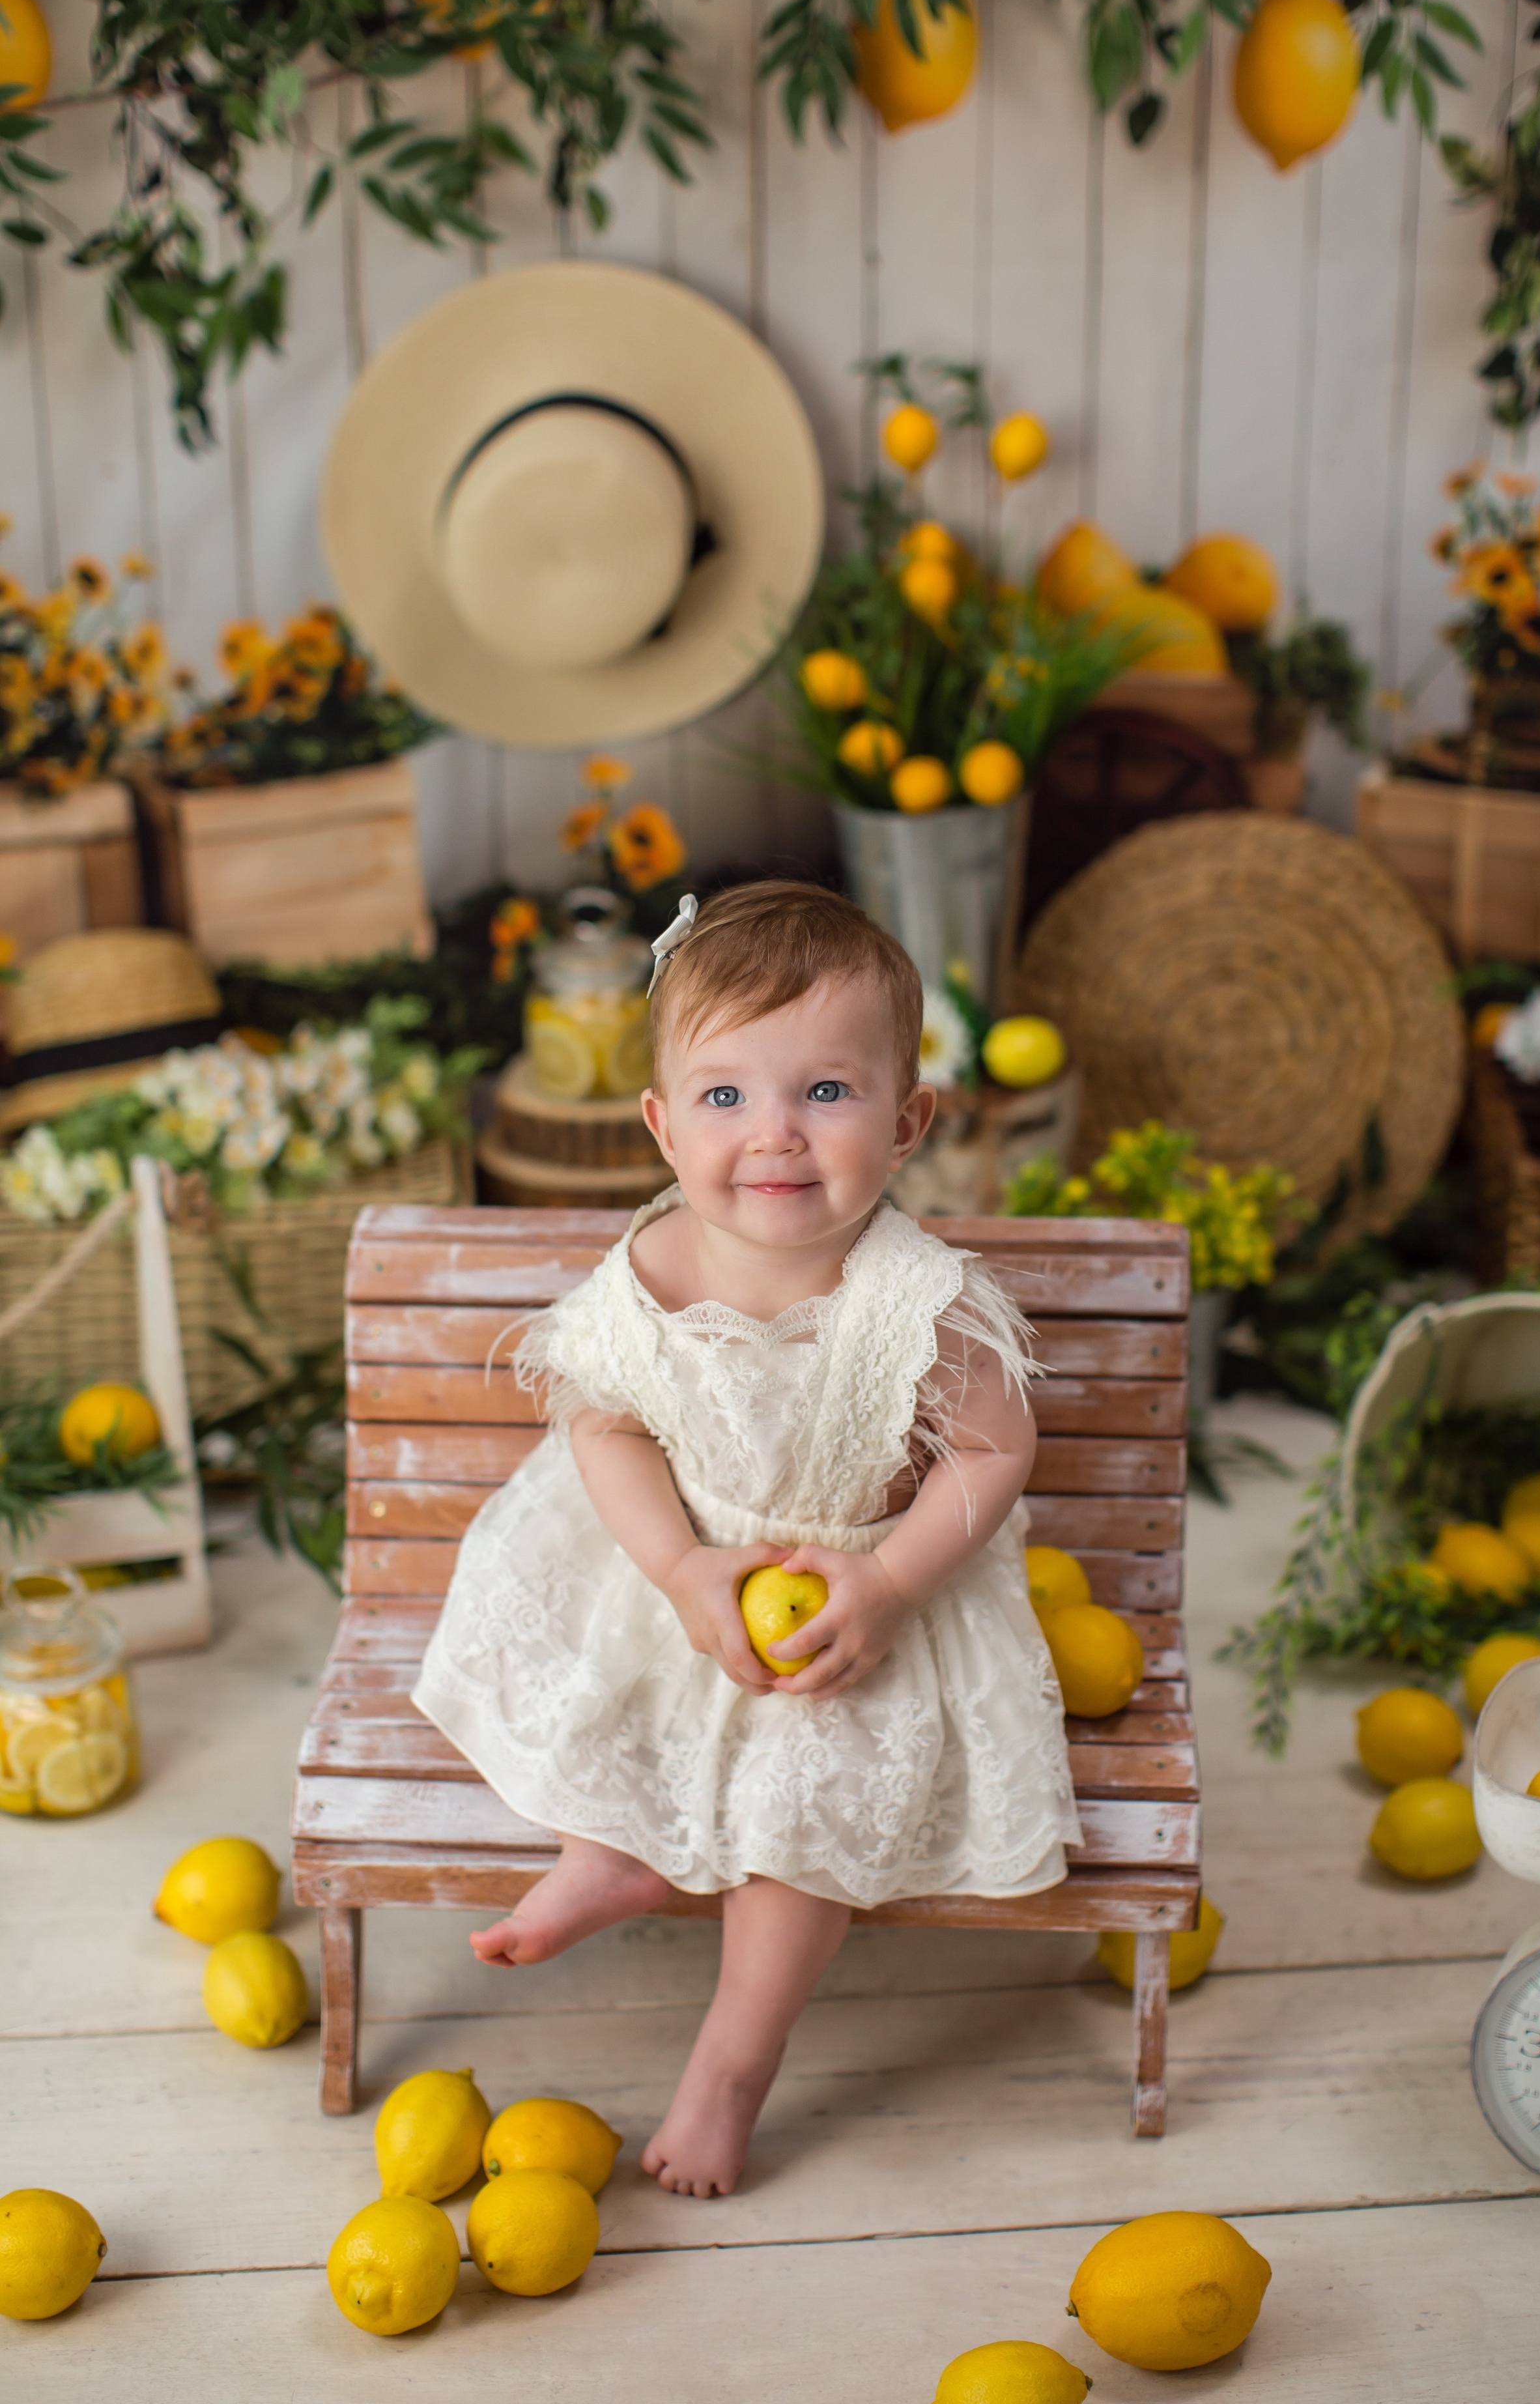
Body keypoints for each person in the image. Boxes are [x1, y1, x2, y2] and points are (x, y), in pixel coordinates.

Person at [412, 880, 1079, 2197]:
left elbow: (996, 1451)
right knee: (594, 1683)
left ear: (906, 1121)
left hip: (851, 1591)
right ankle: (604, 1858)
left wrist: (888, 1580)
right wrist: (671, 1566)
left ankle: (732, 2061)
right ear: (661, 1125)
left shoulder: (917, 1301)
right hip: (672, 1563)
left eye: (824, 1093)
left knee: (804, 1805)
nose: (772, 1135)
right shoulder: (651, 1273)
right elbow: (601, 1431)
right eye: (724, 1097)